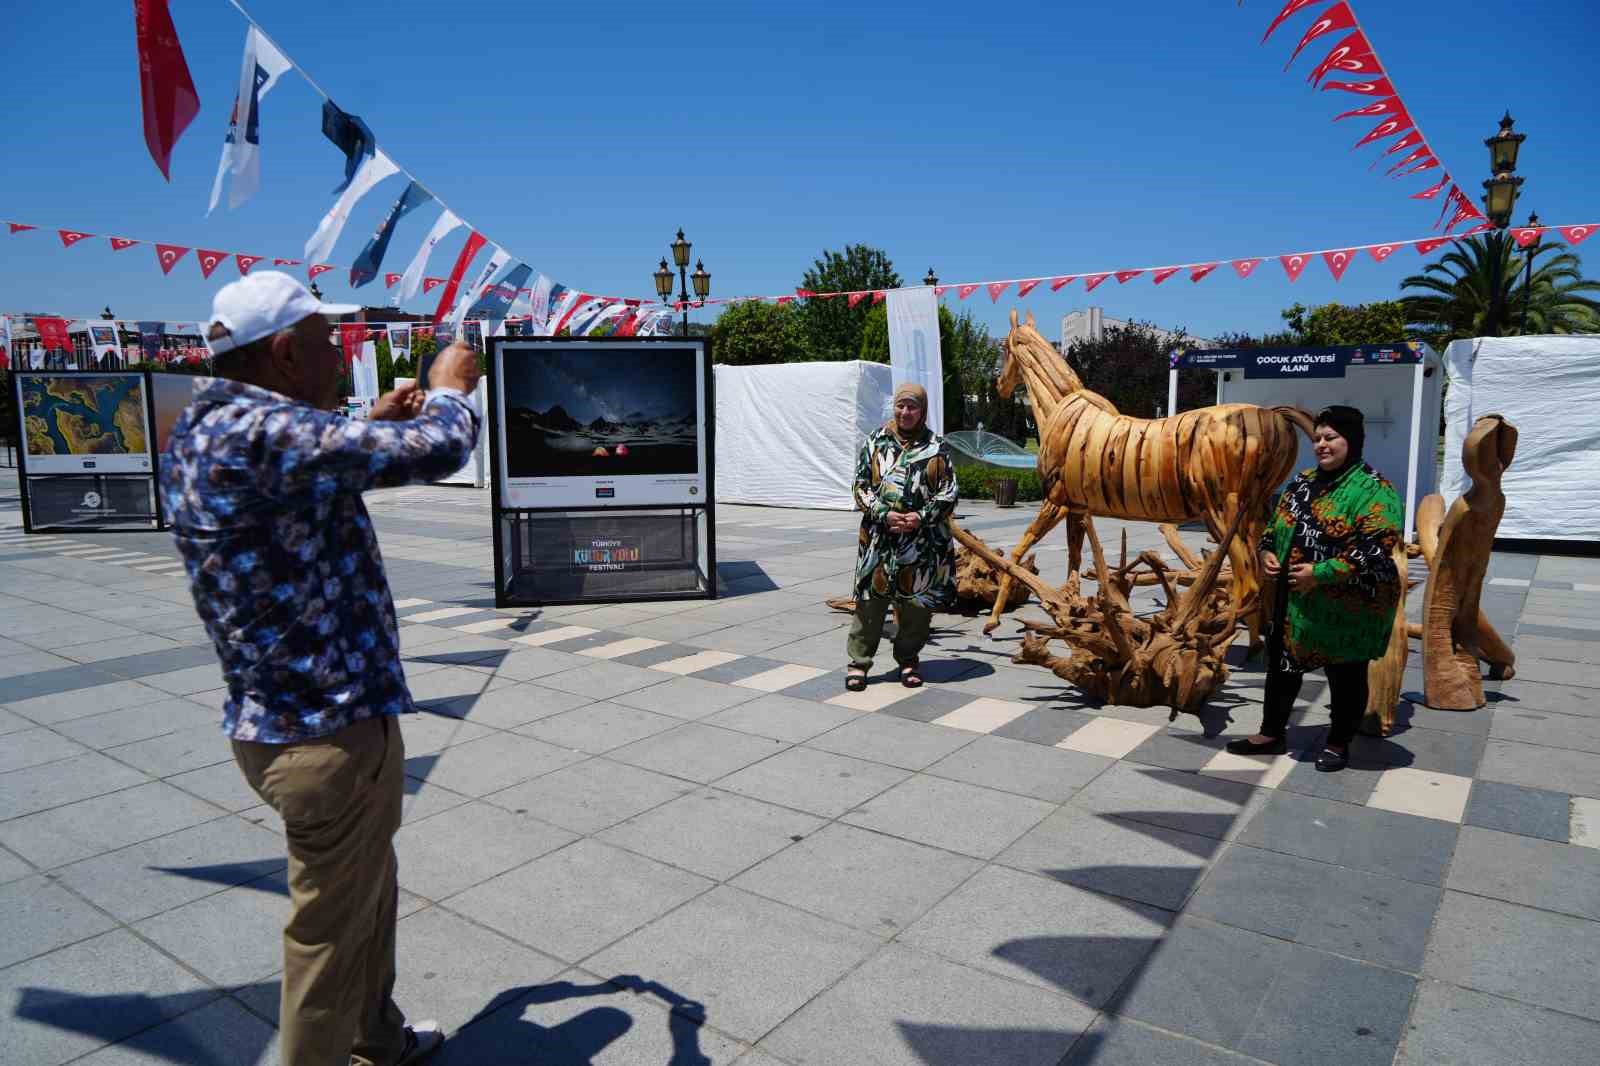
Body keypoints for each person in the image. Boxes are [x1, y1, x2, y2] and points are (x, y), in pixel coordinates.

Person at [161, 272, 482, 1065]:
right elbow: (440, 449)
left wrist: (367, 421)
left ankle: (379, 1038)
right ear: (282, 353)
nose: (343, 355)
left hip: (290, 725)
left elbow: (299, 465)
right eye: (325, 342)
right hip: (324, 735)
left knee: (366, 900)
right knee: (326, 949)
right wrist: (449, 388)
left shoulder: (211, 425)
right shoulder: (265, 436)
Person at [1226, 405, 1403, 772]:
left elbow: (1377, 546)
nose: (1321, 445)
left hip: (1349, 606)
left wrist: (1319, 573)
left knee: (1345, 675)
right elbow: (1275, 528)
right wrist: (1268, 552)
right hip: (1295, 605)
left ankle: (1339, 742)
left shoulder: (1374, 488)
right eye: (1317, 438)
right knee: (1281, 667)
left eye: (1330, 438)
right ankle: (1271, 733)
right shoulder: (1301, 483)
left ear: (1350, 441)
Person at [845, 383, 959, 690]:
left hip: (921, 542)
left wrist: (920, 517)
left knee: (916, 607)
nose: (905, 412)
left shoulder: (936, 447)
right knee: (870, 602)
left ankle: (908, 660)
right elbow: (860, 487)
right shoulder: (876, 441)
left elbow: (949, 492)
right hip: (880, 539)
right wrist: (884, 513)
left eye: (912, 407)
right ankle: (859, 663)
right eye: (901, 406)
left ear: (922, 411)